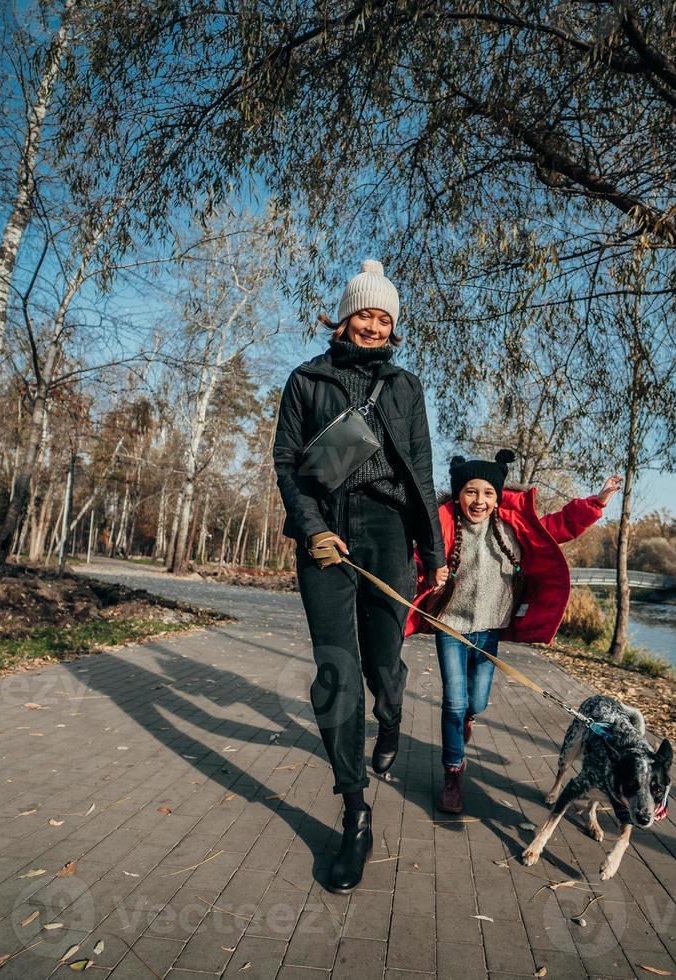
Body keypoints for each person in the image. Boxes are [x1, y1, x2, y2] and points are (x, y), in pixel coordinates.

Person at [272, 260, 447, 893]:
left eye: (384, 318)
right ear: (343, 316)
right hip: (325, 533)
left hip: (387, 531)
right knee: (336, 668)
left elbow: (421, 469)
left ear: (392, 327)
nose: (373, 325)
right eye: (364, 314)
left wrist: (434, 550)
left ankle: (392, 715)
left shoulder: (406, 387)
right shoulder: (306, 379)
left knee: (382, 661)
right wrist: (313, 528)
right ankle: (354, 807)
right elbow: (287, 463)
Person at [405, 449, 621, 814]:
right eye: (471, 492)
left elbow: (560, 525)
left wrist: (596, 502)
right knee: (454, 702)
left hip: (489, 629)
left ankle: (468, 718)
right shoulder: (441, 527)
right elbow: (412, 557)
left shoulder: (511, 527)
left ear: (498, 496)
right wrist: (430, 572)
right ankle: (453, 774)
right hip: (450, 627)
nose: (479, 500)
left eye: (488, 493)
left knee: (476, 703)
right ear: (458, 494)